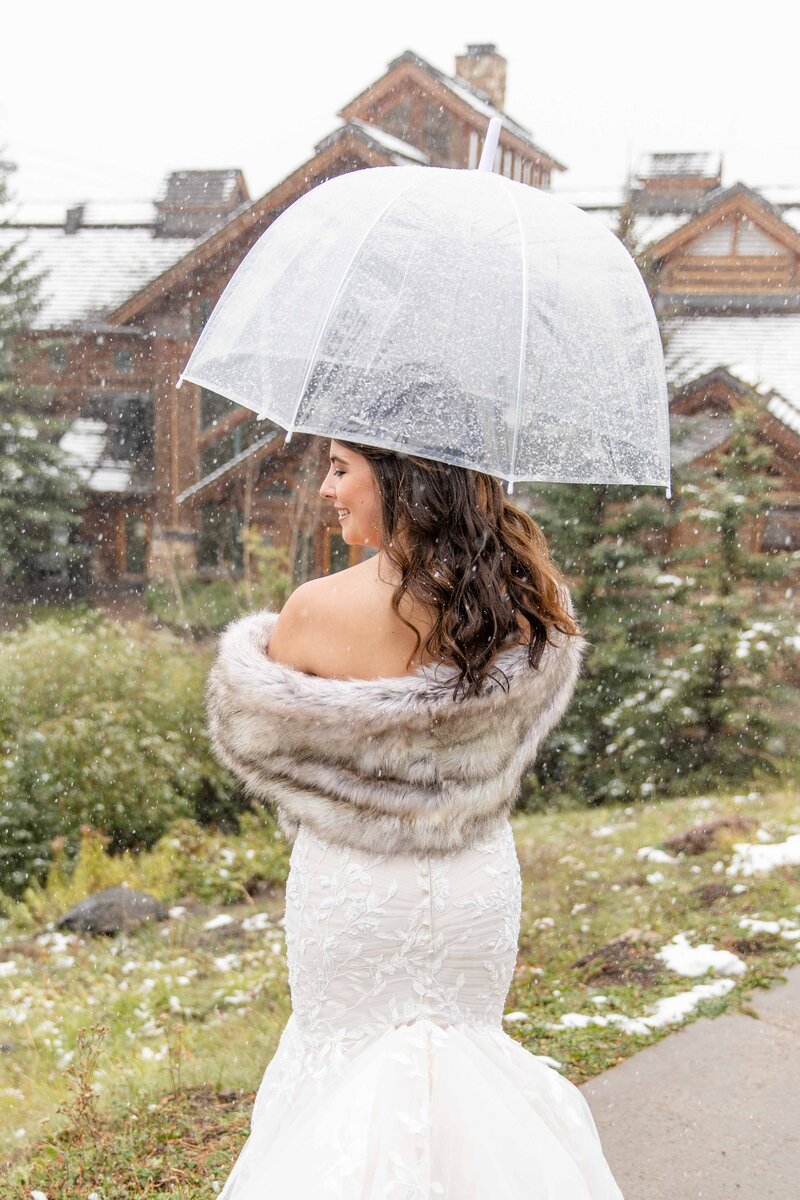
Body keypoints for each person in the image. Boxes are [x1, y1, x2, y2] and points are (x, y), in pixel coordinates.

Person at [206, 438, 625, 1199]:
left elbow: (269, 749)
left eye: (341, 468)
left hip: (352, 888)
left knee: (341, 1071)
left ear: (403, 478)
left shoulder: (314, 610)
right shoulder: (524, 605)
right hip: (473, 879)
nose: (327, 490)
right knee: (468, 1064)